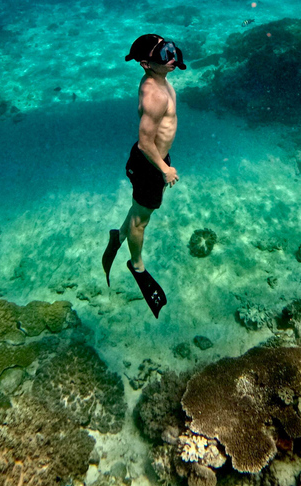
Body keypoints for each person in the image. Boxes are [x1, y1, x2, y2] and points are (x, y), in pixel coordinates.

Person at [101, 34, 186, 318]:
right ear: (146, 64)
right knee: (142, 219)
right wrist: (164, 169)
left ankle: (119, 235)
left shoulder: (161, 81)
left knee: (138, 209)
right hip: (150, 164)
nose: (172, 58)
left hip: (156, 161)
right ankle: (136, 266)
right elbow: (144, 143)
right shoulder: (155, 94)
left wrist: (164, 163)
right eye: (164, 55)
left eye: (171, 50)